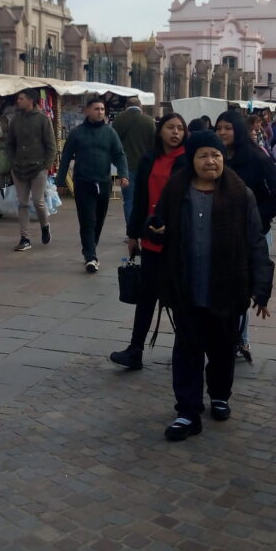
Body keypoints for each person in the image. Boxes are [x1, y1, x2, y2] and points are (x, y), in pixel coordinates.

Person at [151, 131, 273, 441]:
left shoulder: (240, 194)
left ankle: (219, 395)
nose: (210, 161)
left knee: (222, 348)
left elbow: (256, 242)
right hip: (186, 286)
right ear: (191, 160)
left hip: (227, 286)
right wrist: (153, 230)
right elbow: (156, 225)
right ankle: (187, 411)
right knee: (187, 349)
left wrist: (261, 287)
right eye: (203, 155)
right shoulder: (176, 190)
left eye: (216, 155)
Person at [109, 112, 186, 370]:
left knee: (178, 297)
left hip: (178, 241)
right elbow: (140, 199)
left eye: (180, 128)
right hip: (151, 238)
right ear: (160, 131)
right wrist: (133, 234)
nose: (175, 132)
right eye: (170, 127)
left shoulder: (188, 160)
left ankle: (185, 350)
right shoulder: (149, 159)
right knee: (146, 296)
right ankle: (135, 349)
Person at [216, 109, 276, 362]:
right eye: (219, 128)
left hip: (252, 233)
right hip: (221, 233)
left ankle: (239, 339)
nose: (222, 132)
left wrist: (252, 219)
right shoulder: (215, 157)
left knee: (242, 288)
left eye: (228, 128)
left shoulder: (257, 158)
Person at [57, 97, 129, 273]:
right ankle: (91, 256)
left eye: (102, 109)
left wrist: (123, 174)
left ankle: (90, 248)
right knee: (87, 220)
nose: (100, 112)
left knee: (98, 220)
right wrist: (60, 181)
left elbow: (119, 154)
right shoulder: (77, 133)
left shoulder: (110, 133)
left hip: (104, 183)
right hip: (83, 183)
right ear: (87, 111)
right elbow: (65, 157)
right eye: (96, 109)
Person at [3, 89, 57, 252]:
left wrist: (46, 165)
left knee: (38, 201)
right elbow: (10, 143)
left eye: (21, 98)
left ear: (31, 100)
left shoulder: (43, 119)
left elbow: (51, 145)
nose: (18, 101)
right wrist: (12, 161)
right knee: (23, 203)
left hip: (38, 167)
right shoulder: (15, 120)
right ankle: (24, 238)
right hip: (18, 167)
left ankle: (45, 226)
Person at [111, 96, 155, 225]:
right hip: (145, 166)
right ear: (141, 107)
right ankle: (143, 228)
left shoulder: (118, 120)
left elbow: (113, 144)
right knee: (144, 199)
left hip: (125, 167)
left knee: (129, 200)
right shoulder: (149, 121)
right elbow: (154, 145)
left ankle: (131, 230)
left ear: (126, 106)